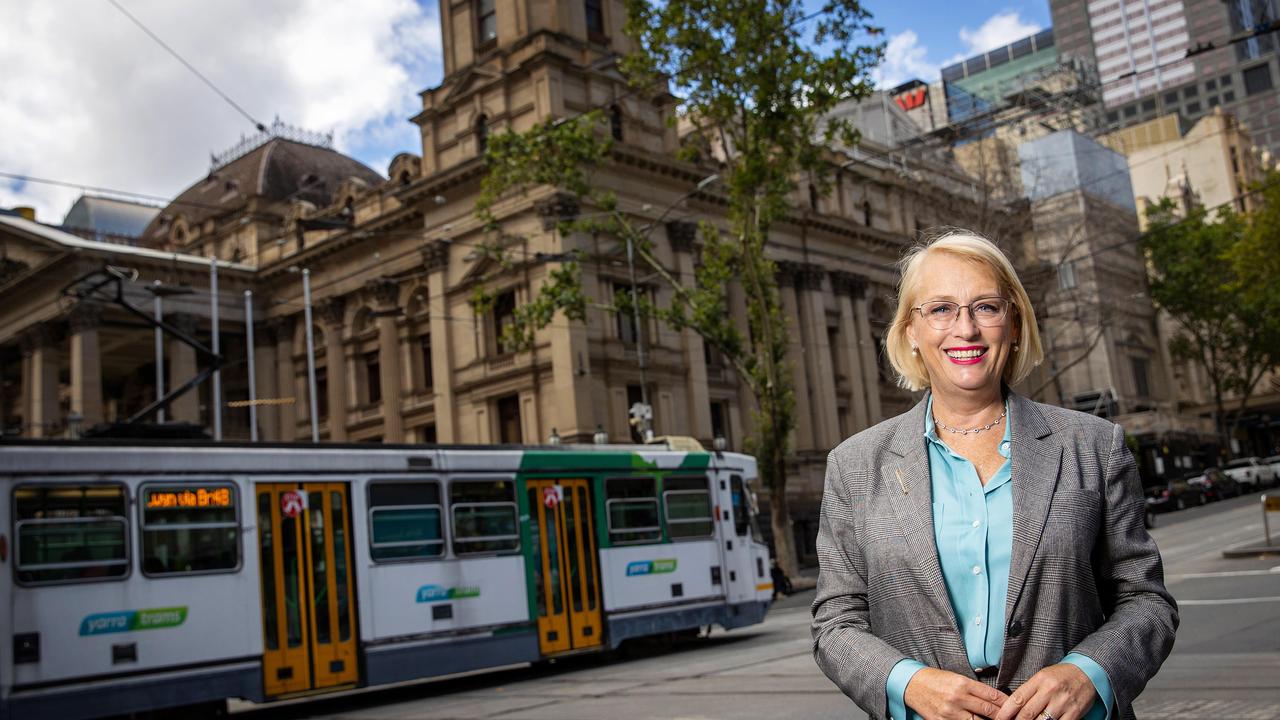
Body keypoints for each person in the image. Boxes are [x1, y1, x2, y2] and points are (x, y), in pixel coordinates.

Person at [811, 230, 1177, 720]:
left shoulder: (1093, 445)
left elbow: (1145, 601)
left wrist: (1088, 672)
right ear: (910, 332)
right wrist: (911, 684)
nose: (965, 329)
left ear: (1016, 324)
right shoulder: (855, 466)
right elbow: (835, 622)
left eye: (986, 307)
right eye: (940, 309)